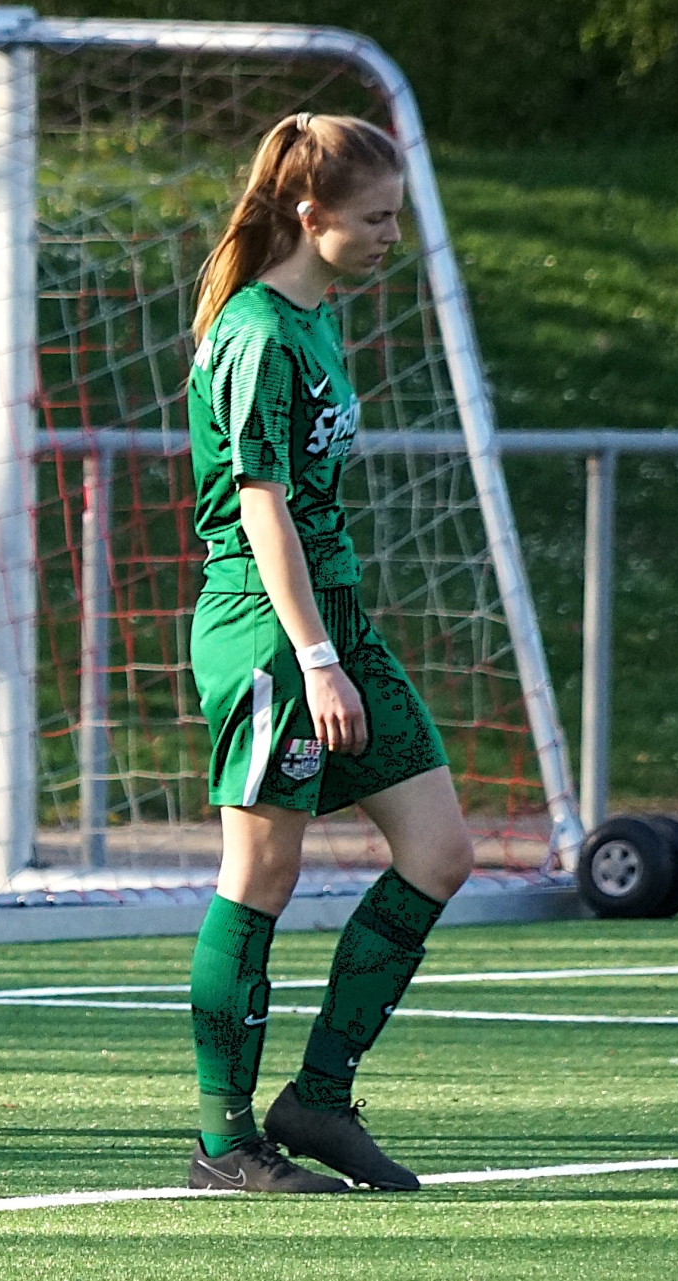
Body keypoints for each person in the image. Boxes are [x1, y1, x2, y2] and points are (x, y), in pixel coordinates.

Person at [182, 112, 474, 1194]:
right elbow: (261, 505)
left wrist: (336, 641)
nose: (393, 235)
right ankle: (223, 1140)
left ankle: (317, 1098)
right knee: (261, 871)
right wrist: (314, 656)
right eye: (377, 218)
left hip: (335, 618)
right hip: (270, 628)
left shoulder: (314, 320)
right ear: (312, 216)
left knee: (440, 851)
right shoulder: (259, 329)